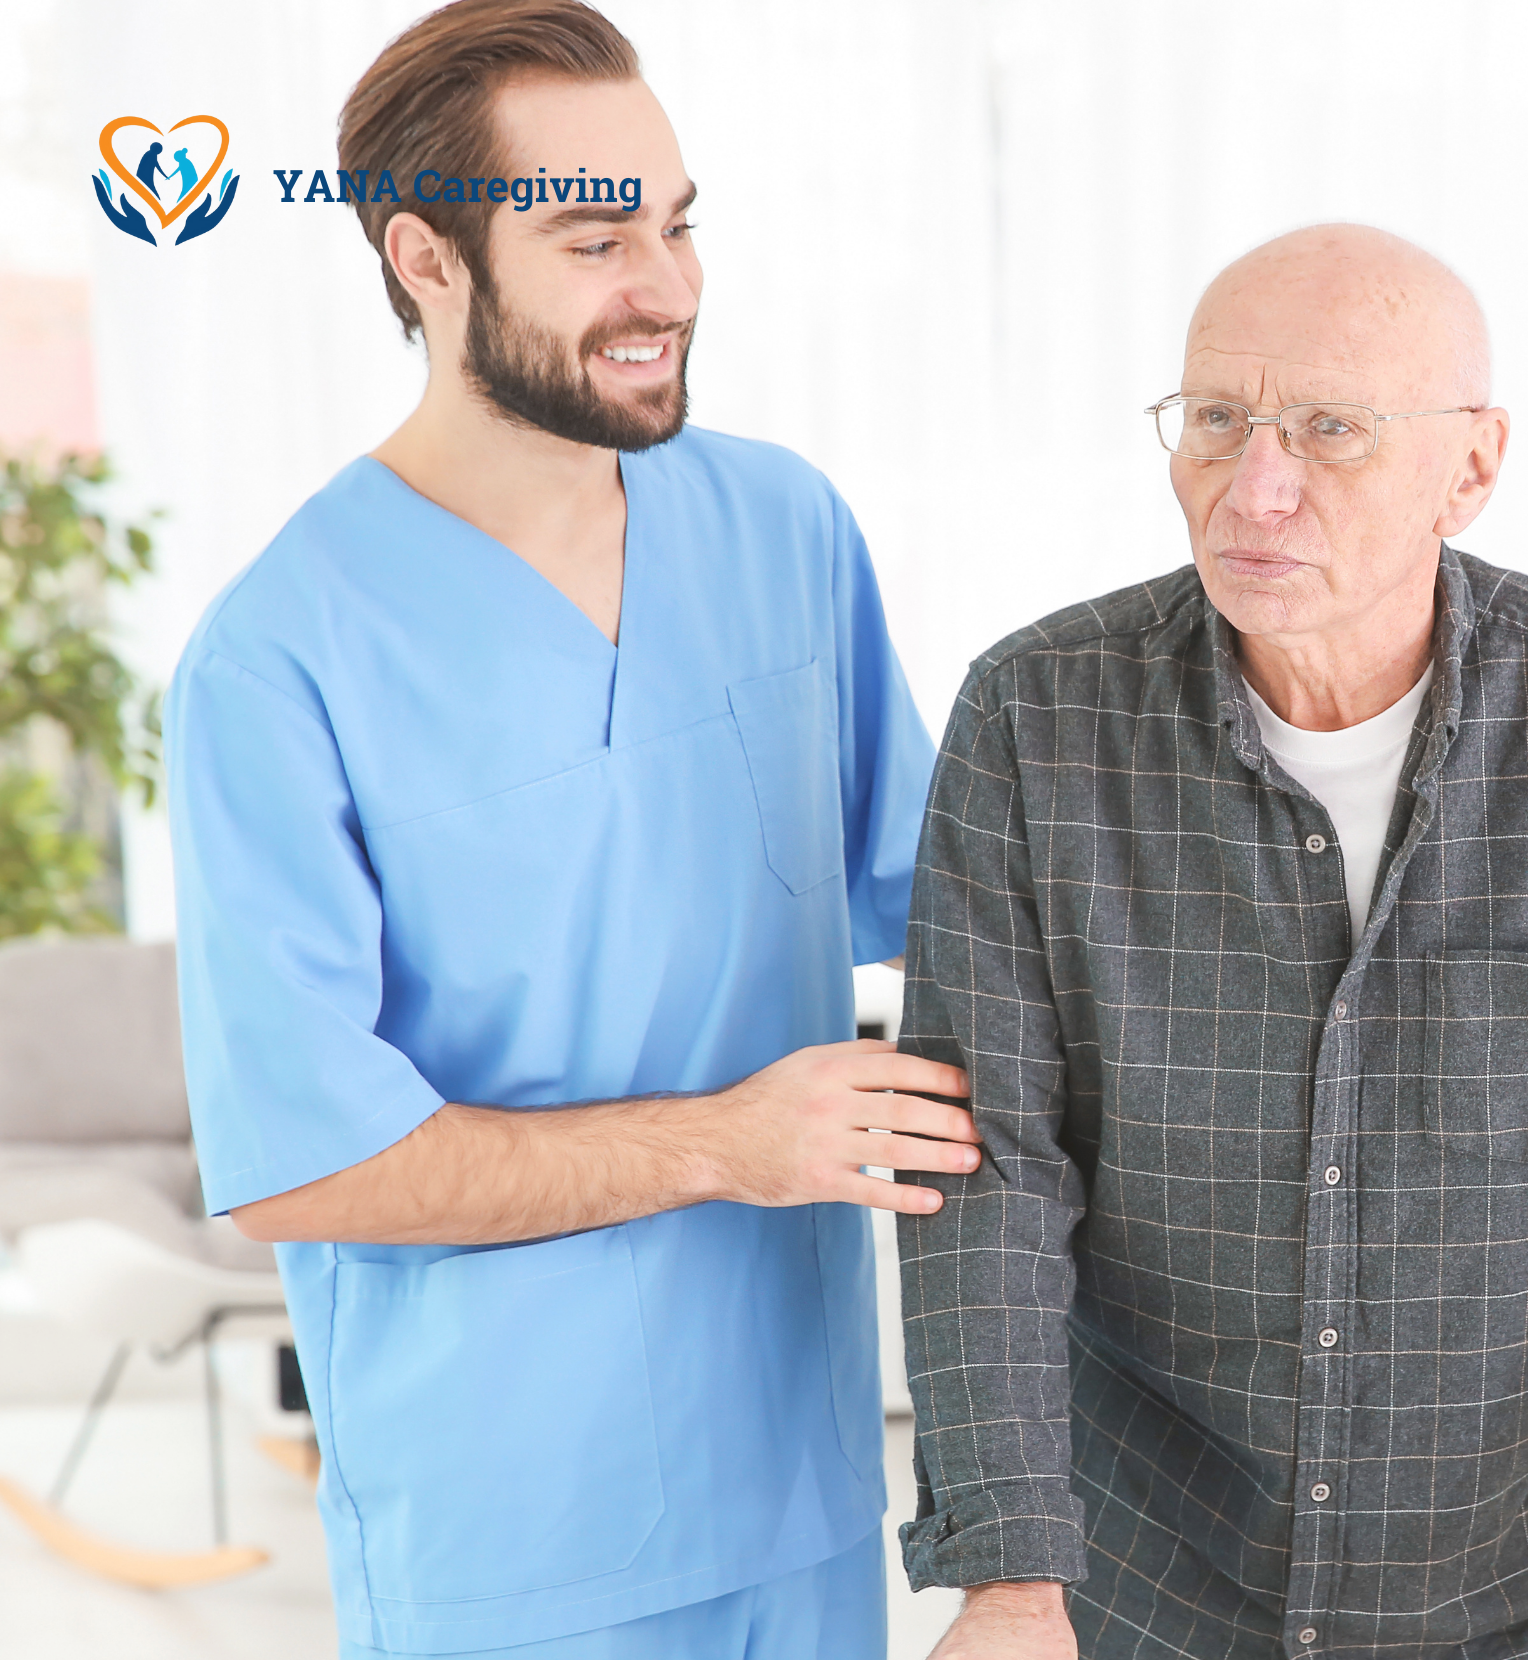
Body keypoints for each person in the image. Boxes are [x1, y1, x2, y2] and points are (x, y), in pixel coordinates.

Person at [165, 2, 981, 1656]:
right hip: (511, 1535)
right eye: (598, 237)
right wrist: (725, 1145)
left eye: (679, 229)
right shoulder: (278, 663)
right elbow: (309, 1161)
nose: (667, 290)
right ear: (425, 259)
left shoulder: (783, 530)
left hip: (808, 1488)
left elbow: (957, 903)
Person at [896, 223, 1520, 1659]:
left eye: (1332, 431)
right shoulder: (1035, 716)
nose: (1257, 489)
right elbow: (991, 1170)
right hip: (1148, 1584)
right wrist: (1010, 1580)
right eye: (1219, 421)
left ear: (1470, 469)